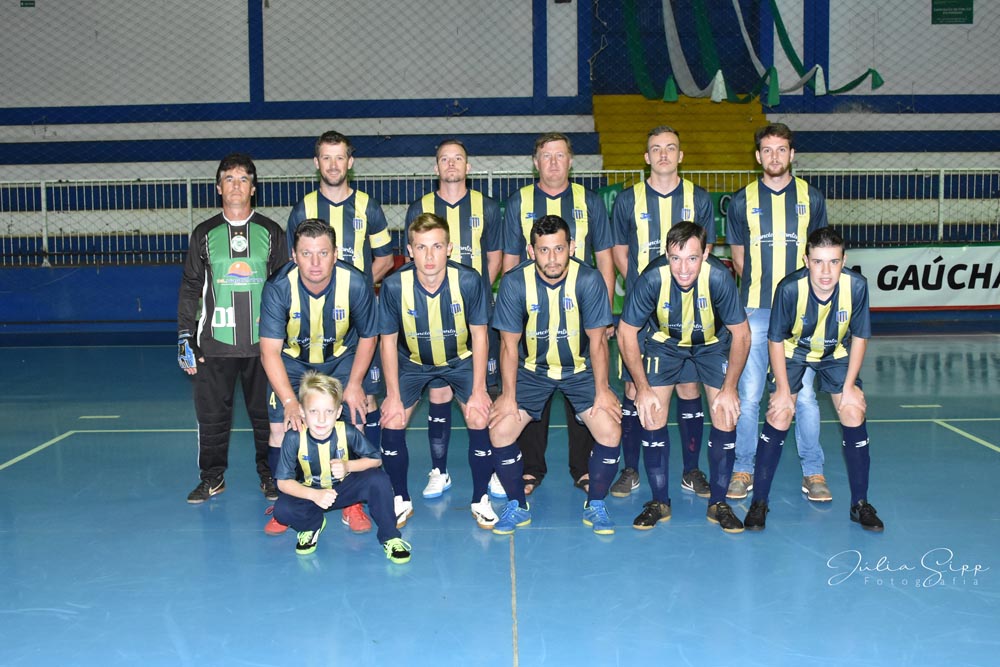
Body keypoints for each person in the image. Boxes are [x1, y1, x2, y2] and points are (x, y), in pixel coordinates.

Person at [284, 130, 392, 531]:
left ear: (351, 162)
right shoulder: (303, 208)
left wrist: (351, 289)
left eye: (339, 157)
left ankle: (353, 500)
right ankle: (301, 495)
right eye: (326, 158)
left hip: (354, 325)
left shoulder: (368, 206)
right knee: (301, 414)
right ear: (317, 163)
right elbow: (292, 263)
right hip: (310, 326)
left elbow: (385, 257)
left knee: (358, 406)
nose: (333, 164)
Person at [742, 227, 883, 532]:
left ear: (844, 260)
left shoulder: (857, 286)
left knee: (853, 410)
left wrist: (849, 386)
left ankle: (860, 504)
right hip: (793, 350)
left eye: (833, 262)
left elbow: (860, 337)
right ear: (806, 261)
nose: (826, 271)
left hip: (836, 351)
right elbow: (775, 339)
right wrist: (782, 389)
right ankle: (759, 502)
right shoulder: (789, 288)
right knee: (780, 412)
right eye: (818, 262)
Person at [489, 215, 622, 535]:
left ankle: (596, 503)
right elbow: (508, 345)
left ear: (572, 247)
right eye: (544, 250)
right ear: (531, 251)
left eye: (559, 249)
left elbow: (598, 342)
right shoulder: (514, 282)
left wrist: (602, 390)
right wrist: (507, 396)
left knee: (610, 430)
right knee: (501, 430)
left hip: (579, 370)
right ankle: (517, 504)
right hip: (532, 371)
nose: (552, 258)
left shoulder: (588, 280)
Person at [501, 132, 615, 494]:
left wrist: (604, 314)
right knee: (533, 382)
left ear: (571, 160)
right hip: (532, 308)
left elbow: (605, 258)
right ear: (535, 162)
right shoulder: (519, 201)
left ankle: (582, 467)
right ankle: (532, 467)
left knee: (580, 380)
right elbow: (509, 260)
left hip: (582, 307)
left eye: (560, 155)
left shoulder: (589, 200)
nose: (553, 162)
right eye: (546, 156)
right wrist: (514, 309)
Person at [618, 222, 750, 532]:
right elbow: (625, 333)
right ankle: (659, 501)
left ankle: (719, 503)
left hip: (711, 345)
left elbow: (742, 335)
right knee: (651, 412)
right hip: (664, 344)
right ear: (667, 255)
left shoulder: (718, 277)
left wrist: (730, 388)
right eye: (676, 258)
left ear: (706, 252)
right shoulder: (653, 278)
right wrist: (642, 387)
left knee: (725, 413)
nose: (683, 268)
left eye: (692, 258)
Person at [726, 123, 831, 503]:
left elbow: (820, 256)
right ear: (758, 156)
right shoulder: (742, 201)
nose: (775, 156)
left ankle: (814, 472)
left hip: (800, 313)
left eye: (781, 149)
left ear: (792, 154)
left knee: (805, 397)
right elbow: (740, 260)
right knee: (750, 394)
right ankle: (743, 469)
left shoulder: (811, 197)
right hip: (756, 310)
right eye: (767, 150)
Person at [610, 125, 716, 501]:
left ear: (681, 155)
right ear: (646, 157)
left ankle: (691, 470)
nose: (664, 154)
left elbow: (705, 252)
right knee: (633, 387)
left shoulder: (699, 198)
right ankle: (630, 469)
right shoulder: (628, 199)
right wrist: (644, 290)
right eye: (656, 149)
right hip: (641, 313)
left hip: (687, 309)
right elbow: (619, 251)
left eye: (671, 148)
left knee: (689, 386)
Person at [258, 219, 380, 535]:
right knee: (280, 429)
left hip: (341, 359)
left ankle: (351, 502)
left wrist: (355, 384)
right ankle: (287, 503)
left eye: (323, 253)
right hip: (293, 361)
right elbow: (269, 351)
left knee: (355, 417)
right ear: (294, 255)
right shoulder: (278, 287)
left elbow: (369, 337)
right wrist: (289, 401)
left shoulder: (355, 283)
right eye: (306, 253)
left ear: (335, 254)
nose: (315, 262)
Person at [178, 153, 287, 504]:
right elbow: (191, 287)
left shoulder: (271, 232)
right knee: (211, 417)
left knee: (266, 417)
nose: (236, 185)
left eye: (243, 179)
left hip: (263, 345)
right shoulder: (204, 233)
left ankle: (271, 475)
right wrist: (184, 336)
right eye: (229, 179)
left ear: (253, 188)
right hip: (214, 343)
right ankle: (212, 478)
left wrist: (287, 335)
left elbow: (284, 286)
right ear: (218, 188)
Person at [379, 213, 495, 528]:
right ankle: (400, 498)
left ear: (450, 248)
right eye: (421, 247)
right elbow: (387, 342)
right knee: (392, 418)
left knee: (478, 414)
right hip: (414, 363)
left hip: (460, 359)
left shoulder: (468, 280)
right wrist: (392, 395)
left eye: (437, 246)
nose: (429, 256)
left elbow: (480, 335)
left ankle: (480, 498)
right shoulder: (393, 285)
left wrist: (479, 389)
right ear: (409, 250)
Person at [402, 139, 503, 500]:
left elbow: (494, 256)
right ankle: (439, 471)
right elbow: (412, 259)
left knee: (483, 394)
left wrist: (473, 295)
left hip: (473, 313)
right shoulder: (420, 208)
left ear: (467, 166)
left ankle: (493, 469)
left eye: (457, 158)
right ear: (436, 167)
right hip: (430, 315)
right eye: (444, 159)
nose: (451, 164)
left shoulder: (486, 206)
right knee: (438, 390)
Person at [271, 370, 412, 562]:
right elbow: (283, 482)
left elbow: (376, 460)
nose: (321, 419)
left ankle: (390, 536)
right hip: (312, 492)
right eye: (314, 411)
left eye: (329, 412)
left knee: (379, 480)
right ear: (302, 412)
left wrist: (348, 466)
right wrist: (314, 495)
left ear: (338, 412)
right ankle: (311, 526)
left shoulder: (347, 431)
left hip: (344, 489)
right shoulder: (294, 437)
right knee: (282, 509)